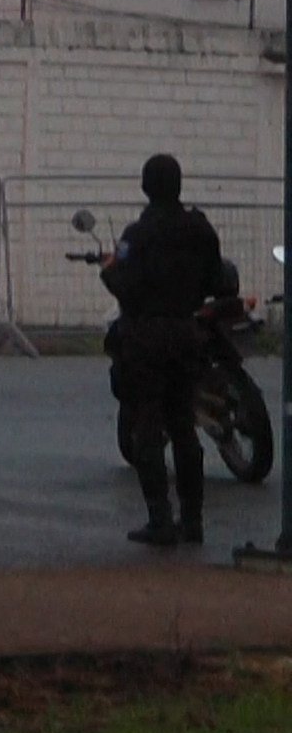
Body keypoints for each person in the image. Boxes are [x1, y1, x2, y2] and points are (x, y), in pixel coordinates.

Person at [101, 154, 224, 547]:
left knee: (148, 430)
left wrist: (107, 271)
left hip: (146, 336)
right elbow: (215, 278)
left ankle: (160, 518)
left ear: (145, 187)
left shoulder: (138, 235)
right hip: (187, 331)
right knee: (184, 427)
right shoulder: (200, 229)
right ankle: (192, 519)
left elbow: (123, 282)